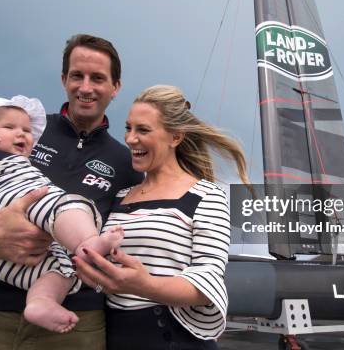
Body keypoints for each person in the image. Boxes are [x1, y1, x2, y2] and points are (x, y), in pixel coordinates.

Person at [0, 34, 143, 349]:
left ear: (115, 87)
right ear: (64, 79)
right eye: (77, 76)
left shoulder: (127, 162)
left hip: (72, 322)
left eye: (98, 78)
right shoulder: (14, 130)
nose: (85, 87)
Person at [74, 85, 250, 350]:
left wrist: (146, 285)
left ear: (175, 137)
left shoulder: (206, 195)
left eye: (143, 130)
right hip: (111, 335)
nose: (131, 139)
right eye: (128, 128)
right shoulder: (120, 195)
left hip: (171, 337)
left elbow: (208, 283)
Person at [0, 95, 124, 333]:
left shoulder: (121, 158)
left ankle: (41, 302)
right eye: (9, 127)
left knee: (63, 272)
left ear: (115, 87)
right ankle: (89, 244)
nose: (22, 133)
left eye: (26, 130)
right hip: (14, 209)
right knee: (68, 205)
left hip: (25, 261)